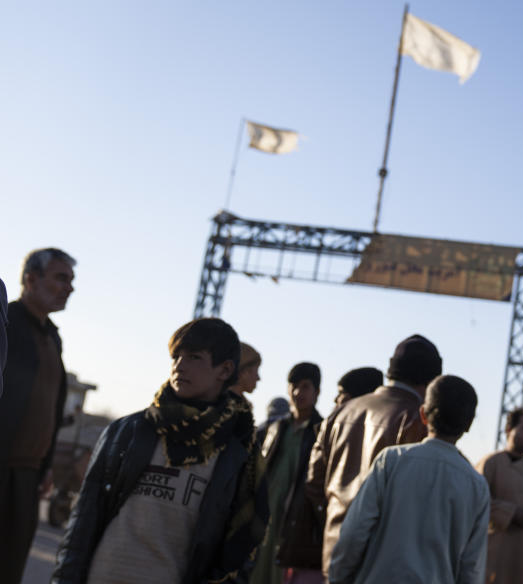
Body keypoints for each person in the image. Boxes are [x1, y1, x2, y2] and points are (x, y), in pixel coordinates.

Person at [53, 318, 267, 583]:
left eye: (194, 357)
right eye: (176, 356)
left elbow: (239, 552)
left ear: (224, 370)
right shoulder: (127, 431)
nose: (179, 366)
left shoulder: (237, 457)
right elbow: (83, 521)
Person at [327, 375, 490, 584]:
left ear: (423, 414)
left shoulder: (391, 461)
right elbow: (472, 566)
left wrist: (338, 577)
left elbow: (354, 534)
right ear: (468, 424)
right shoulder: (476, 486)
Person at [305, 334, 443, 576]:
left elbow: (314, 483)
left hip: (334, 553)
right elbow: (415, 504)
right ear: (431, 381)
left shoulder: (341, 412)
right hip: (382, 564)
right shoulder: (416, 421)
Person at [0, 247, 75, 583]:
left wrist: (45, 466)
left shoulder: (52, 337)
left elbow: (52, 405)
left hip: (28, 477)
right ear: (31, 279)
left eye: (71, 281)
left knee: (10, 567)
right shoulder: (7, 322)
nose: (69, 288)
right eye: (61, 278)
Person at [280, 366, 383, 584]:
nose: (336, 400)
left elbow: (314, 485)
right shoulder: (280, 430)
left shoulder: (329, 428)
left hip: (325, 549)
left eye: (342, 394)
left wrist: (332, 519)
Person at [250, 362, 324, 584]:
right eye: (293, 386)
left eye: (305, 386)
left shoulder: (322, 431)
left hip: (297, 525)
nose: (298, 392)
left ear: (317, 392)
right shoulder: (273, 430)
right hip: (264, 520)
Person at [476, 407, 523, 584]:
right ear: (509, 430)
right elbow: (477, 503)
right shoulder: (490, 463)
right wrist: (512, 513)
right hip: (496, 556)